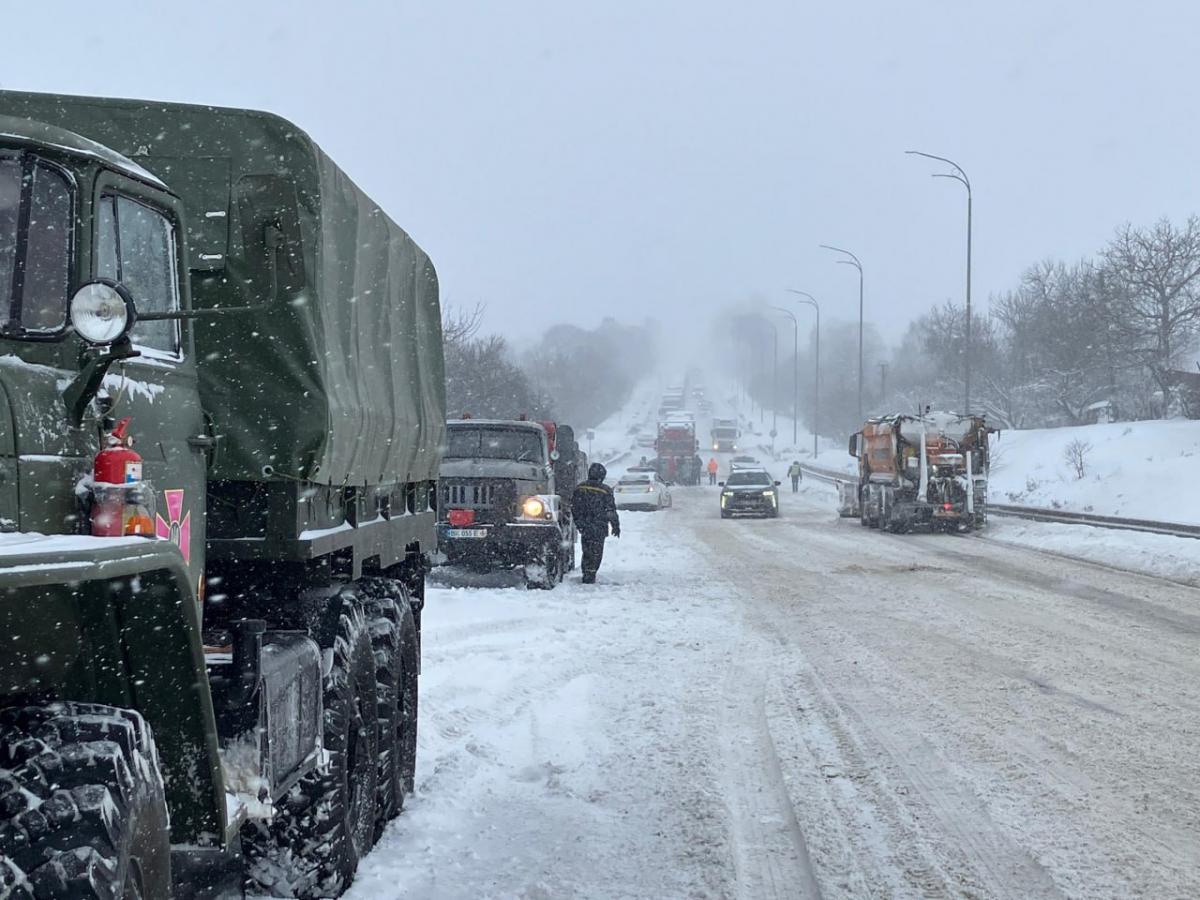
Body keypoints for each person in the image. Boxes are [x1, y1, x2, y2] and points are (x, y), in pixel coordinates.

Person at [571, 462, 621, 584]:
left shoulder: (580, 488)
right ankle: (591, 573)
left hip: (585, 526)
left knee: (586, 549)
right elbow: (610, 510)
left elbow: (574, 507)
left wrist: (579, 522)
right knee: (596, 551)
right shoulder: (605, 490)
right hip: (599, 526)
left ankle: (586, 571)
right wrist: (615, 526)